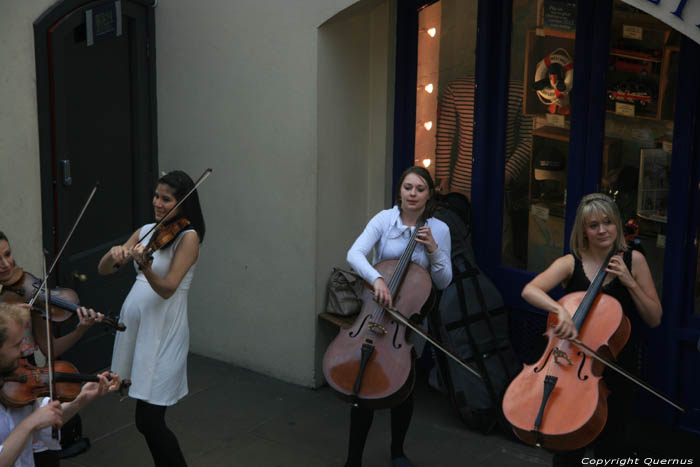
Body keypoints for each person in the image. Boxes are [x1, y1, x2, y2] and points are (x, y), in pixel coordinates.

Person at [520, 193, 662, 465]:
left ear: (617, 225)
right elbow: (530, 290)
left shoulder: (634, 261)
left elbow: (654, 318)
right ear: (583, 231)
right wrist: (560, 309)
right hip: (573, 367)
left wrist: (630, 282)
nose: (602, 230)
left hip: (618, 369)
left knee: (612, 449)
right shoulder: (571, 263)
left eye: (607, 222)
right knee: (567, 451)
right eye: (593, 225)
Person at [344, 166, 452, 467]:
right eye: (408, 188)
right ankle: (353, 459)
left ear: (429, 194)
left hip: (409, 323)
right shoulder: (384, 219)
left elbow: (443, 281)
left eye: (420, 189)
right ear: (400, 191)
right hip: (377, 310)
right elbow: (354, 254)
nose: (413, 194)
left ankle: (398, 452)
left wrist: (433, 251)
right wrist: (377, 279)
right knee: (362, 384)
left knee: (403, 388)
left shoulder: (439, 230)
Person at [98, 170, 205, 467]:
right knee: (146, 420)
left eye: (166, 199)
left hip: (164, 331)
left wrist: (145, 267)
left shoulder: (188, 237)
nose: (158, 203)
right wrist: (114, 253)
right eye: (156, 196)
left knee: (150, 420)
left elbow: (168, 288)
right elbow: (104, 270)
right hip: (139, 330)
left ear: (182, 203)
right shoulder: (146, 230)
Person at [0, 230, 104, 465]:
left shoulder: (26, 291)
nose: (6, 264)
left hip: (27, 381)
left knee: (45, 455)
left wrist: (80, 330)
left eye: (8, 254)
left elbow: (49, 350)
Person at [0, 302, 121, 467]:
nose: (26, 348)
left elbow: (44, 422)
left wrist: (82, 399)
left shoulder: (14, 380)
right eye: (17, 344)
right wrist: (29, 424)